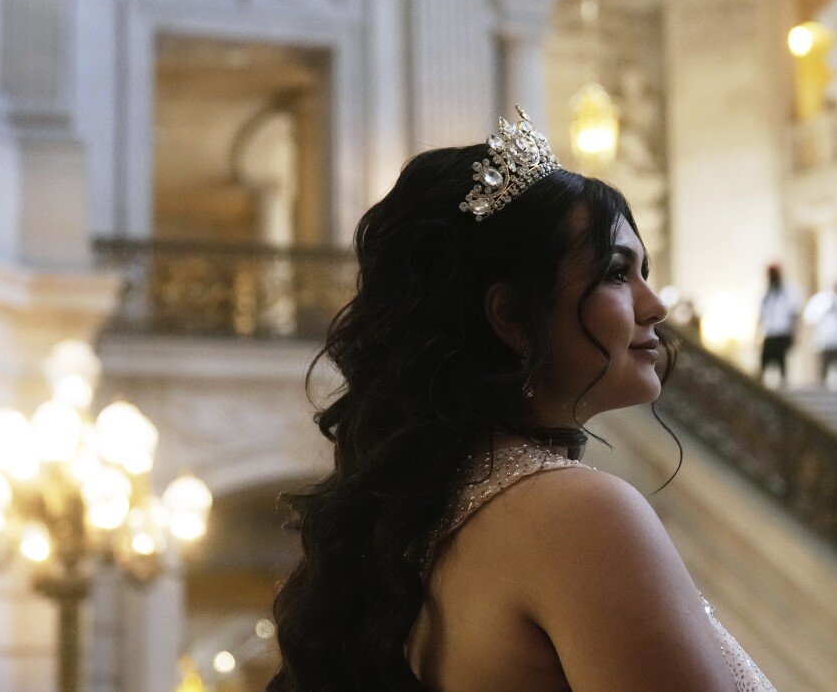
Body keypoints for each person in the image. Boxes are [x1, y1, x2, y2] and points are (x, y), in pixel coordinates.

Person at [267, 109, 774, 691]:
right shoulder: (580, 514)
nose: (655, 305)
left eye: (644, 272)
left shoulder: (432, 515)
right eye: (616, 273)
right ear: (510, 315)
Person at [803, 279, 837, 388]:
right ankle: (822, 389)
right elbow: (810, 319)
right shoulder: (820, 300)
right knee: (823, 369)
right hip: (825, 341)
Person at [757, 264, 802, 388]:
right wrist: (757, 334)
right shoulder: (767, 293)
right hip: (770, 333)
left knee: (781, 362)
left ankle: (783, 386)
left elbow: (795, 314)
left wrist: (796, 333)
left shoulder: (789, 291)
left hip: (783, 332)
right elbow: (761, 315)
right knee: (764, 362)